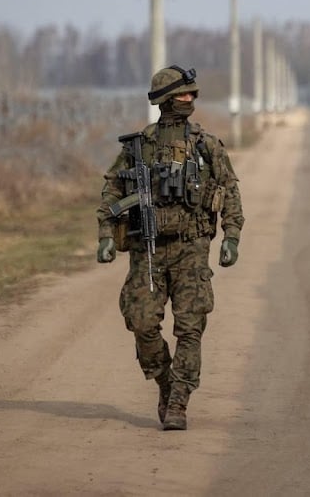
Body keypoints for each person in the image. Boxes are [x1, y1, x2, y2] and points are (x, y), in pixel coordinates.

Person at [95, 65, 244, 431]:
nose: (190, 99)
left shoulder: (205, 144)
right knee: (142, 322)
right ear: (165, 99)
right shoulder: (138, 146)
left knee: (190, 328)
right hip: (148, 248)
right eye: (183, 94)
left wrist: (232, 237)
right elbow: (112, 190)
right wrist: (105, 235)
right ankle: (165, 382)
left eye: (192, 93)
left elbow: (231, 191)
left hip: (192, 247)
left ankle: (179, 400)